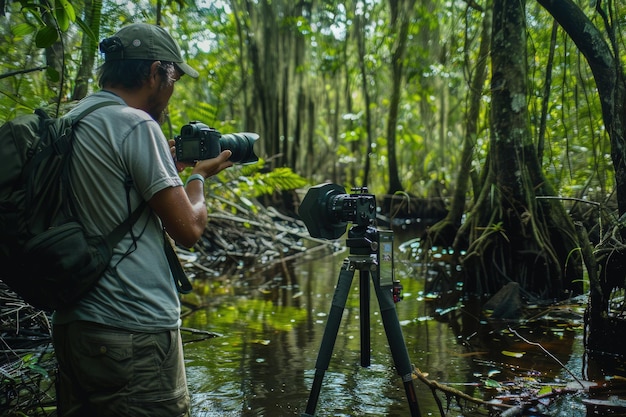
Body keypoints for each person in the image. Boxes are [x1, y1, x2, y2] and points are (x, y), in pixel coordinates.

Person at [51, 23, 232, 417]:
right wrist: (199, 177)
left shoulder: (72, 120)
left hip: (74, 326)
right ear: (154, 73)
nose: (172, 91)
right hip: (133, 330)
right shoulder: (135, 124)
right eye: (174, 78)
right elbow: (189, 229)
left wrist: (165, 168)